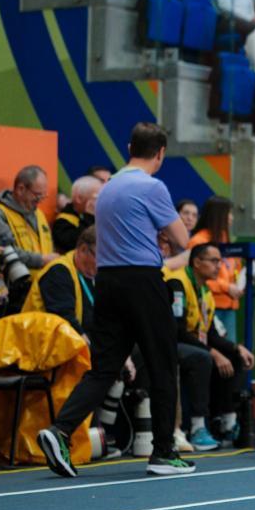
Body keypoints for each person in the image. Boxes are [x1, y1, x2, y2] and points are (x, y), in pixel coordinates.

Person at [37, 123, 194, 477]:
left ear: (128, 147)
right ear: (161, 154)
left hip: (107, 282)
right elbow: (182, 238)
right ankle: (164, 452)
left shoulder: (107, 190)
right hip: (142, 281)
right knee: (164, 366)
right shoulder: (151, 186)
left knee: (103, 369)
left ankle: (60, 430)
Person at [168, 243, 254, 450]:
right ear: (197, 262)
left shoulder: (205, 292)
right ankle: (197, 428)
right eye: (214, 261)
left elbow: (211, 334)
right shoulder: (177, 283)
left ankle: (227, 423)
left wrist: (236, 348)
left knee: (234, 357)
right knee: (203, 357)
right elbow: (177, 330)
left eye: (220, 261)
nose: (219, 266)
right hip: (169, 344)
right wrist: (213, 353)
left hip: (192, 343)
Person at [22, 225, 98, 337]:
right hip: (39, 346)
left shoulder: (94, 274)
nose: (106, 262)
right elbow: (65, 322)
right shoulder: (58, 272)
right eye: (101, 256)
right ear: (83, 249)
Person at [189, 197, 243, 343]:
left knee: (230, 352)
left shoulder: (226, 240)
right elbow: (195, 276)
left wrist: (239, 285)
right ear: (219, 215)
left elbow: (233, 269)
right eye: (229, 213)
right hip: (209, 305)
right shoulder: (199, 241)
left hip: (230, 306)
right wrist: (226, 287)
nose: (231, 218)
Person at [0, 165, 58, 282]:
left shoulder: (39, 213)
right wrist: (42, 260)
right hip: (17, 286)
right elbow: (5, 250)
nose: (40, 200)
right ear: (20, 189)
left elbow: (49, 245)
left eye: (44, 195)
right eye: (37, 195)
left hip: (44, 283)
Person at [53, 176, 102, 254]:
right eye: (96, 198)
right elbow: (78, 243)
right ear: (79, 198)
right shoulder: (62, 222)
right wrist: (89, 215)